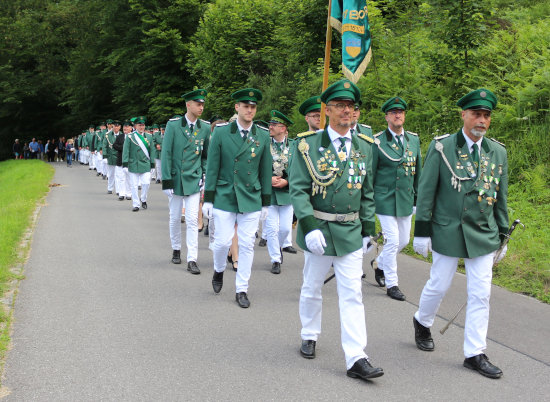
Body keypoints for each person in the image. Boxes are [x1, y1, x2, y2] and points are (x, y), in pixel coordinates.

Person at [289, 79, 383, 381]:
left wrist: (369, 230)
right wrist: (308, 225)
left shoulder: (365, 147)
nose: (347, 111)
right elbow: (299, 189)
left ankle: (356, 357)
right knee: (312, 285)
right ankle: (309, 333)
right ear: (327, 110)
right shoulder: (307, 145)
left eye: (350, 106)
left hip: (351, 231)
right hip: (319, 228)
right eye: (340, 106)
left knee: (352, 293)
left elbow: (367, 193)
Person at [412, 88, 508, 379]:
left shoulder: (497, 151)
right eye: (476, 114)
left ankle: (474, 353)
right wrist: (422, 231)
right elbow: (427, 190)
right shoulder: (442, 147)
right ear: (463, 114)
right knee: (439, 284)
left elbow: (500, 197)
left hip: (483, 233)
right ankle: (422, 320)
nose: (481, 120)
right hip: (448, 229)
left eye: (486, 115)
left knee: (481, 294)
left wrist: (502, 234)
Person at [202, 88, 271, 308]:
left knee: (247, 244)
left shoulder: (262, 134)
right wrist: (208, 199)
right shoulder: (222, 133)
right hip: (225, 194)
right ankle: (219, 269)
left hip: (251, 196)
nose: (250, 110)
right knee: (222, 242)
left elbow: (265, 170)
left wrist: (266, 202)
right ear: (237, 108)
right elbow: (212, 167)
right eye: (246, 106)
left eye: (253, 107)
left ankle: (242, 289)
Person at [371, 97, 422, 301]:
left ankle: (378, 264)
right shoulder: (377, 141)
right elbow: (371, 173)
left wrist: (418, 199)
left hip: (405, 198)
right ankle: (392, 284)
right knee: (392, 240)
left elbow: (418, 170)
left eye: (400, 111)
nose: (397, 115)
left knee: (403, 240)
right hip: (384, 198)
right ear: (386, 117)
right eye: (393, 112)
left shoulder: (413, 140)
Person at [161, 89, 210, 274]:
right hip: (175, 179)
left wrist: (204, 175)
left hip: (194, 179)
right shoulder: (174, 125)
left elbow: (206, 156)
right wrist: (167, 180)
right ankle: (176, 248)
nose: (201, 107)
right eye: (198, 104)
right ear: (188, 104)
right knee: (174, 218)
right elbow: (166, 153)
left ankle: (192, 259)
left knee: (191, 219)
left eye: (203, 104)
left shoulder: (204, 127)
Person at [266, 110, 294, 275]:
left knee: (284, 229)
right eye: (270, 124)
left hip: (287, 192)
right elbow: (257, 166)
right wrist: (268, 178)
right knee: (271, 229)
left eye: (274, 125)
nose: (270, 127)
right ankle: (275, 259)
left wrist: (288, 181)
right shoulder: (264, 144)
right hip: (269, 192)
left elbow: (299, 168)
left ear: (283, 128)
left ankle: (279, 248)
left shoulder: (294, 145)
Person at [122, 116, 154, 211]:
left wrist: (152, 164)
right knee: (134, 185)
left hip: (145, 164)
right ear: (135, 126)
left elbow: (152, 151)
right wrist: (125, 164)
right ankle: (136, 204)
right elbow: (126, 151)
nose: (141, 127)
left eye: (143, 125)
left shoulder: (149, 137)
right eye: (139, 125)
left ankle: (143, 198)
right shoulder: (130, 136)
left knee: (146, 183)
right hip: (133, 164)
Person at [103, 120, 120, 194]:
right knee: (111, 174)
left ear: (120, 127)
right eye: (114, 126)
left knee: (119, 175)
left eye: (117, 126)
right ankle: (110, 188)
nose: (116, 127)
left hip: (119, 157)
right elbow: (104, 146)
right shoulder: (108, 135)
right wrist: (105, 156)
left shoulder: (122, 135)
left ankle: (119, 190)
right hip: (111, 157)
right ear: (112, 126)